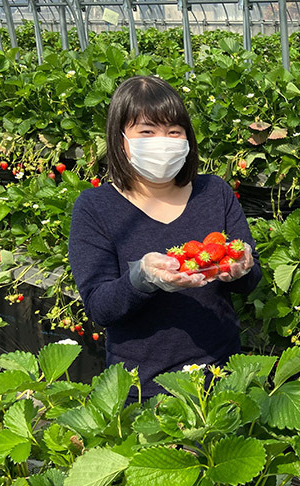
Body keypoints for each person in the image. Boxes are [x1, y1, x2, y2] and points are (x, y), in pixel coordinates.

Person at [68, 75, 261, 401]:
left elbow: (249, 279)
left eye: (174, 131)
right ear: (120, 140)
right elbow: (100, 307)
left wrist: (242, 267)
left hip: (222, 375)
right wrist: (142, 277)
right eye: (147, 132)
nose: (163, 140)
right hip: (143, 388)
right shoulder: (96, 208)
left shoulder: (214, 192)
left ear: (187, 138)